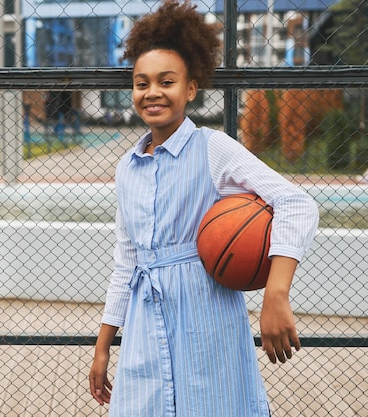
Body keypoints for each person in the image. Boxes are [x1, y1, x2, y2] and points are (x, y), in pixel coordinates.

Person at [88, 1, 319, 416]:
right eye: (141, 83)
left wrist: (276, 293)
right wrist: (104, 345)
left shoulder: (213, 149)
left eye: (166, 81)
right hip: (145, 321)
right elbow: (127, 259)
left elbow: (296, 203)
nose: (152, 92)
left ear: (191, 89)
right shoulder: (127, 167)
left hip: (206, 317)